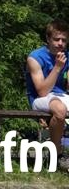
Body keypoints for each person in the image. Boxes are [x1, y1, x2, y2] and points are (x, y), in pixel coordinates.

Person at [25, 19, 69, 170]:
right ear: (48, 38)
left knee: (60, 105)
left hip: (61, 96)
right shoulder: (35, 57)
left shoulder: (67, 56)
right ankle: (56, 155)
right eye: (57, 39)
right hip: (39, 99)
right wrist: (57, 68)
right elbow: (42, 91)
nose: (60, 43)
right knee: (60, 109)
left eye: (64, 40)